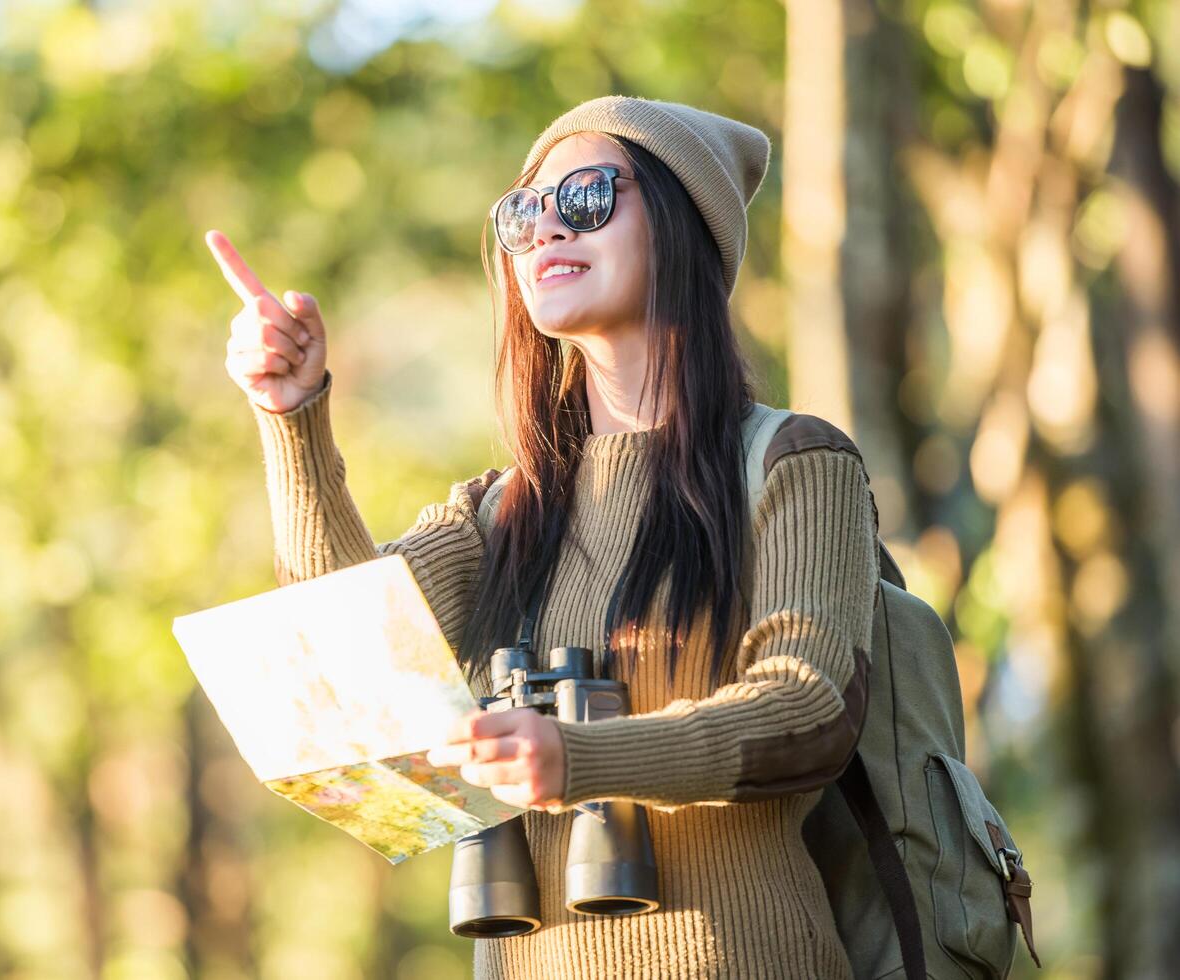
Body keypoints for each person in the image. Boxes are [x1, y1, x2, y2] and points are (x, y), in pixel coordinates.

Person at [208, 95, 881, 980]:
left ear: (685, 225)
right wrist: (291, 414)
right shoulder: (499, 514)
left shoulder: (792, 462)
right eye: (524, 213)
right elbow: (345, 668)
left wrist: (583, 757)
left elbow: (808, 710)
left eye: (588, 198)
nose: (547, 231)